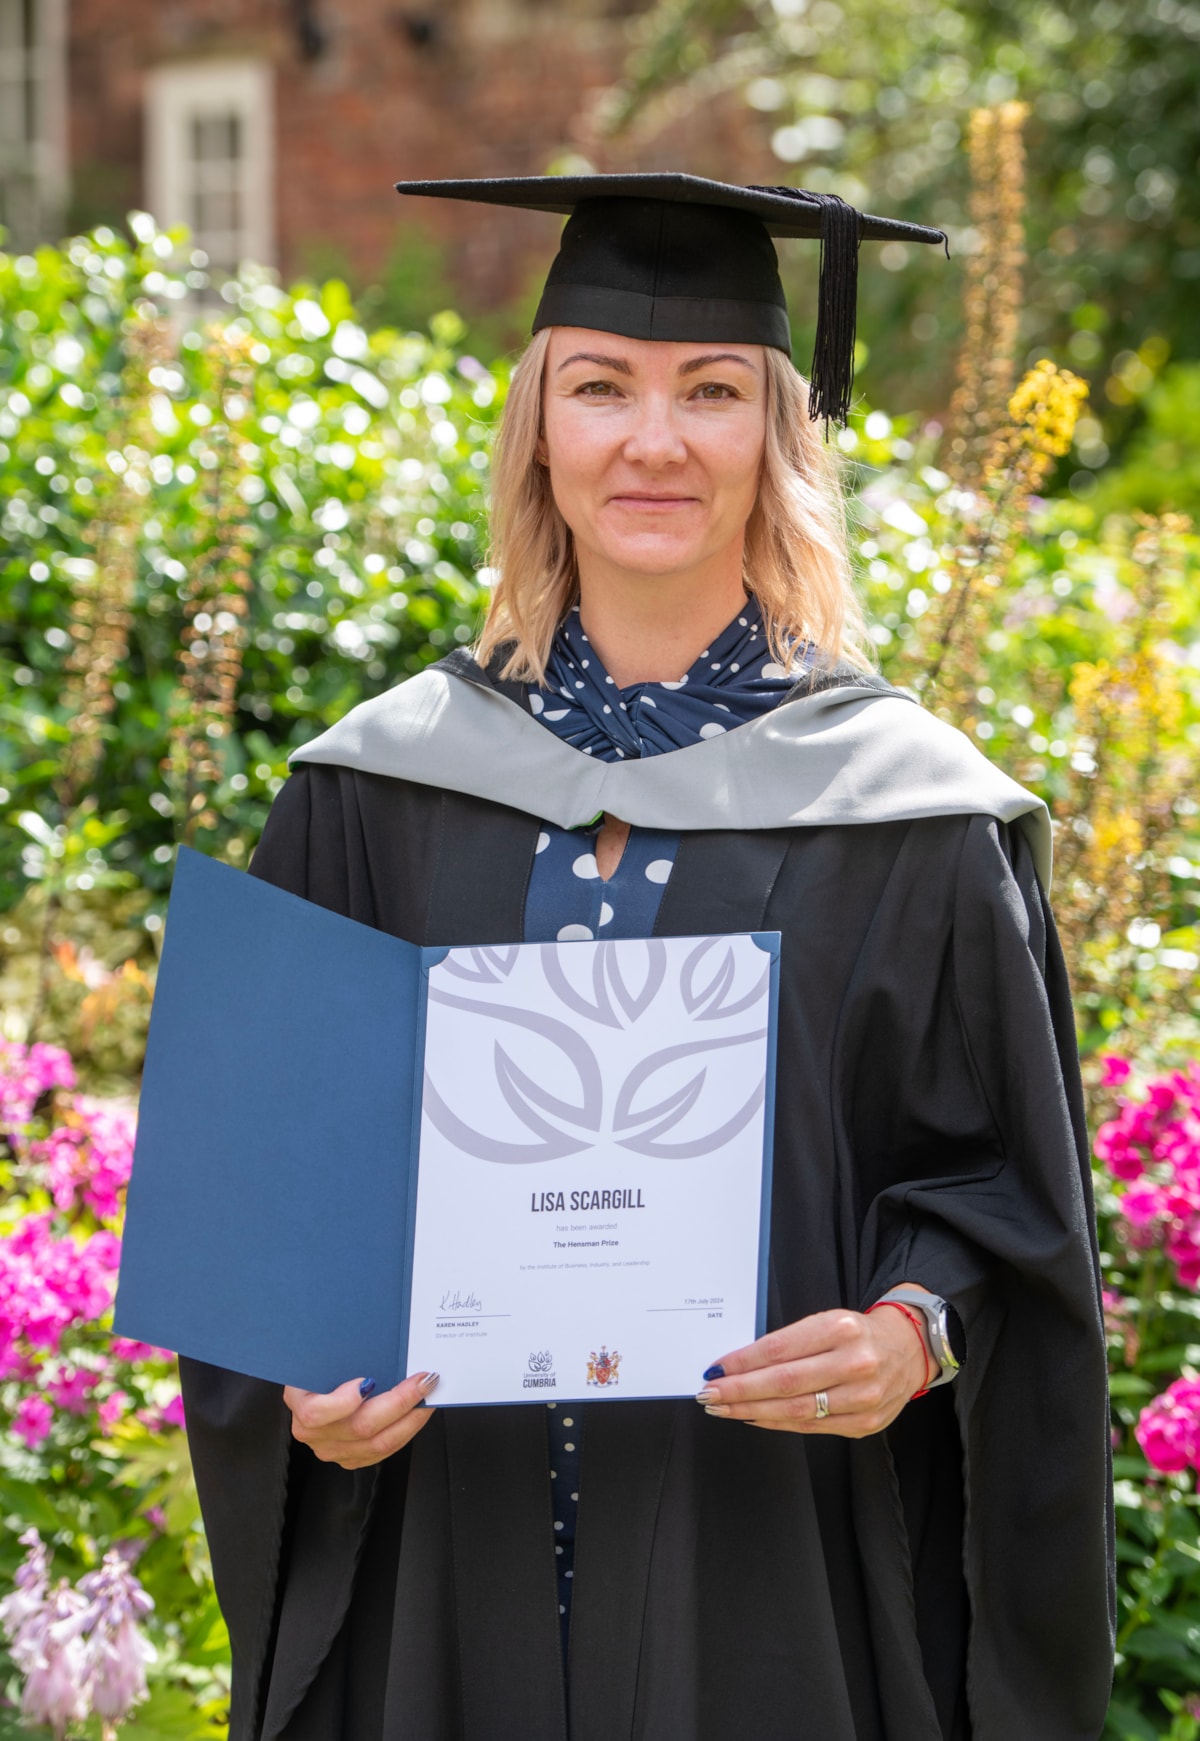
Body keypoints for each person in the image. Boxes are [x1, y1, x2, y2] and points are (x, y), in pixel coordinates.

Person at [179, 175, 1114, 1741]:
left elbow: (1005, 1195)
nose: (654, 440)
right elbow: (264, 1212)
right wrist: (303, 1394)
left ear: (781, 437)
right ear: (539, 427)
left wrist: (911, 1332)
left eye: (713, 392)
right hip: (442, 1579)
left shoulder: (911, 810)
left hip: (775, 1578)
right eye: (599, 385)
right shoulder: (374, 787)